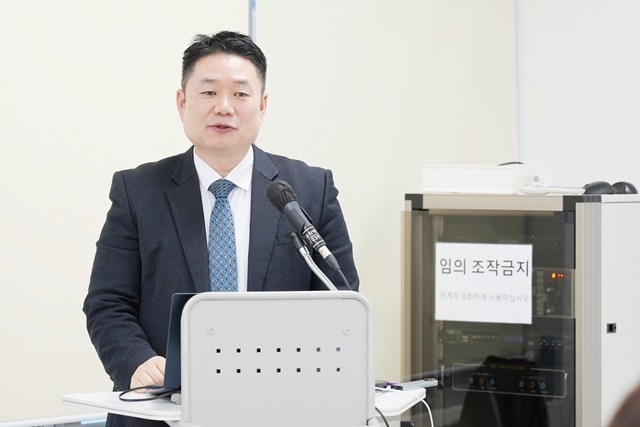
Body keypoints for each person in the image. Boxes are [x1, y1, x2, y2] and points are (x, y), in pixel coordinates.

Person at [83, 30, 359, 427]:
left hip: (282, 408)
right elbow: (107, 302)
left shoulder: (308, 190)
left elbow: (340, 300)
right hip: (162, 408)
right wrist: (136, 362)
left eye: (240, 94)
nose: (224, 107)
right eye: (209, 92)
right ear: (182, 102)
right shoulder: (138, 190)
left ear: (262, 105)